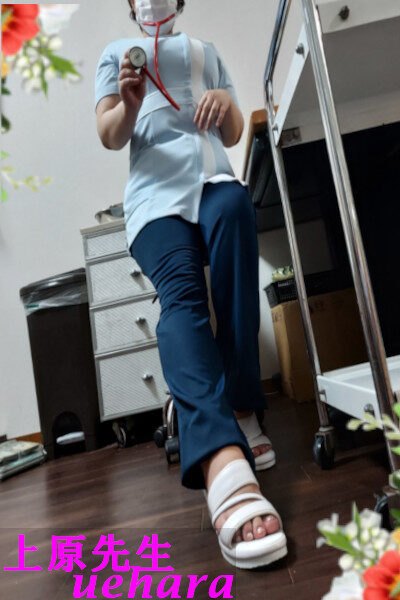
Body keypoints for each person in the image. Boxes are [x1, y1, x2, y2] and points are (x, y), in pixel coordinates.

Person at [94, 0, 287, 569]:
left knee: (236, 212)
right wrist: (130, 105)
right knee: (181, 296)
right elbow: (109, 135)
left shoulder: (205, 53)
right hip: (154, 200)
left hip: (211, 180)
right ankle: (220, 454)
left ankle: (242, 405)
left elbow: (233, 129)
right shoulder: (118, 56)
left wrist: (226, 103)